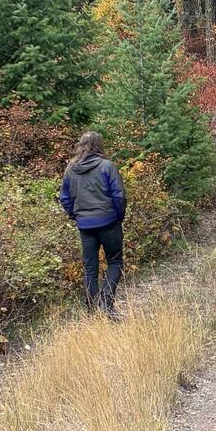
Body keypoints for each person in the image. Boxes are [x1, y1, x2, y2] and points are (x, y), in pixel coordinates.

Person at [59, 131, 127, 316]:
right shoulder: (107, 166)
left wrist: (75, 215)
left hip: (85, 226)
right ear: (99, 145)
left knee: (90, 268)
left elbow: (64, 198)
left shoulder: (70, 169)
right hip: (109, 222)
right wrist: (118, 217)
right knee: (115, 262)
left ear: (80, 145)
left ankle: (92, 310)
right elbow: (119, 195)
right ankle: (106, 303)